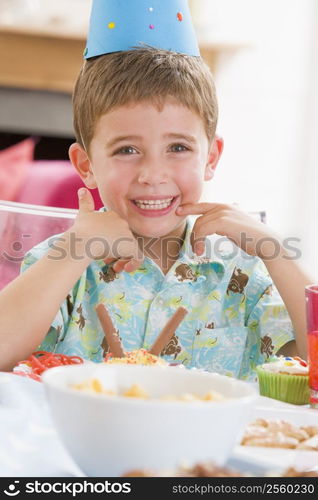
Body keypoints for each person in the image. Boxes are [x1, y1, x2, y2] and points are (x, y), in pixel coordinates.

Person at [0, 0, 311, 379]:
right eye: (127, 150)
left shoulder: (243, 272)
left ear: (211, 157)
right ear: (86, 165)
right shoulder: (65, 263)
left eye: (178, 148)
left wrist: (273, 249)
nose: (153, 174)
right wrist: (71, 252)